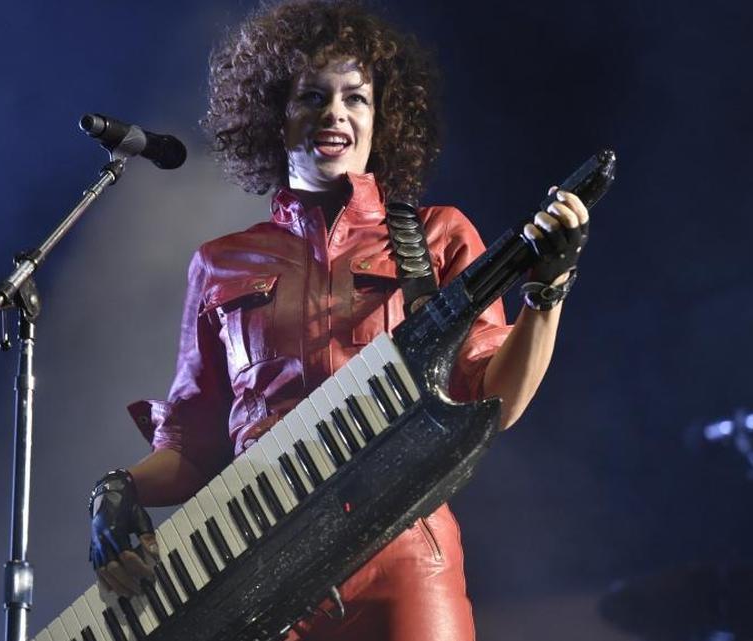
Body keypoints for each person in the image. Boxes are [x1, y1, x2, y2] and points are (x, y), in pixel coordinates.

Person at [87, 1, 591, 639]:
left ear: (382, 120)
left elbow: (492, 396)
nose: (335, 114)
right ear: (276, 115)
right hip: (260, 565)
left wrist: (547, 293)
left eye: (357, 98)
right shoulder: (219, 264)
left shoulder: (437, 235)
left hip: (404, 549)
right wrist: (115, 493)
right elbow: (193, 447)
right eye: (312, 97)